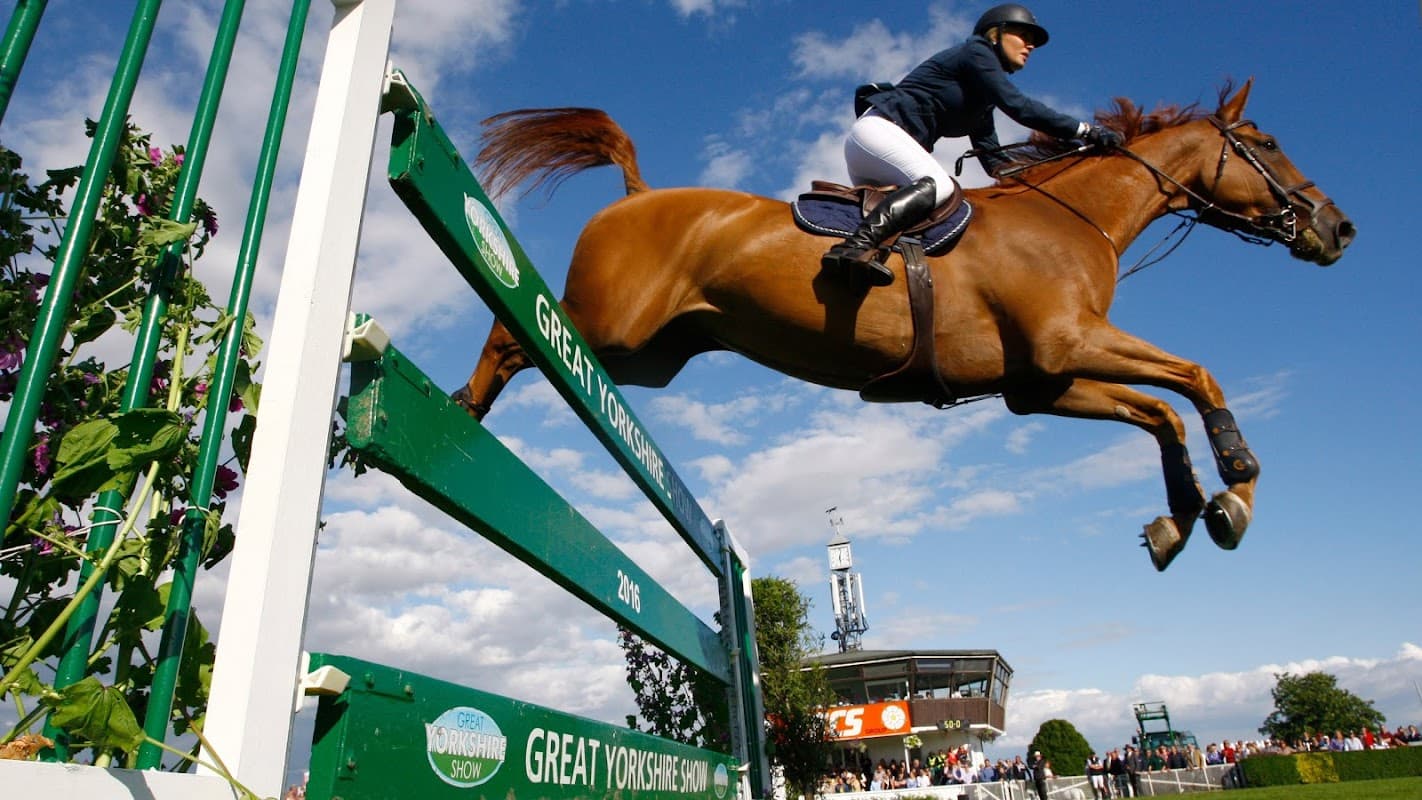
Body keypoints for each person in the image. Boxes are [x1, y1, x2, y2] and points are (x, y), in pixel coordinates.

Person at [822, 3, 1123, 286]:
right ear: (996, 33)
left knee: (910, 229)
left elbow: (993, 159)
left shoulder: (982, 103)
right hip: (879, 132)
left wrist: (1049, 174)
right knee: (941, 187)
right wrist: (1085, 130)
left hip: (880, 148)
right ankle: (851, 250)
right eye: (1024, 35)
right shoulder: (976, 52)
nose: (1030, 45)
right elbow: (1018, 106)